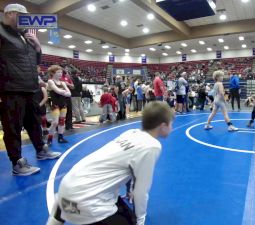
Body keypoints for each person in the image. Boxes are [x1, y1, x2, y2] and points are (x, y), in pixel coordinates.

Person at [46, 102, 175, 225]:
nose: (172, 127)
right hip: (85, 202)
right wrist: (140, 220)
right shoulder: (152, 146)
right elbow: (141, 192)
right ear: (162, 126)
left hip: (66, 188)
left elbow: (130, 168)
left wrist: (130, 190)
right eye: (171, 124)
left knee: (119, 208)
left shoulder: (131, 133)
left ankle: (60, 211)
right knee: (130, 220)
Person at [0, 3, 61, 176]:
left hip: (30, 88)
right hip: (10, 89)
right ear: (11, 14)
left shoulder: (25, 36)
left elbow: (35, 62)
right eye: (23, 16)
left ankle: (41, 150)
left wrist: (38, 48)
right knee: (13, 128)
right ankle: (17, 163)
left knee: (34, 123)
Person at [47, 65, 71, 145]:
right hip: (55, 105)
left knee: (61, 122)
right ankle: (49, 138)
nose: (60, 74)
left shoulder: (63, 83)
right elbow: (57, 91)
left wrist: (62, 91)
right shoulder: (50, 81)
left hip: (63, 104)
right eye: (58, 72)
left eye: (61, 72)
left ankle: (60, 137)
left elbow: (69, 94)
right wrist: (64, 91)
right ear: (53, 73)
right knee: (55, 122)